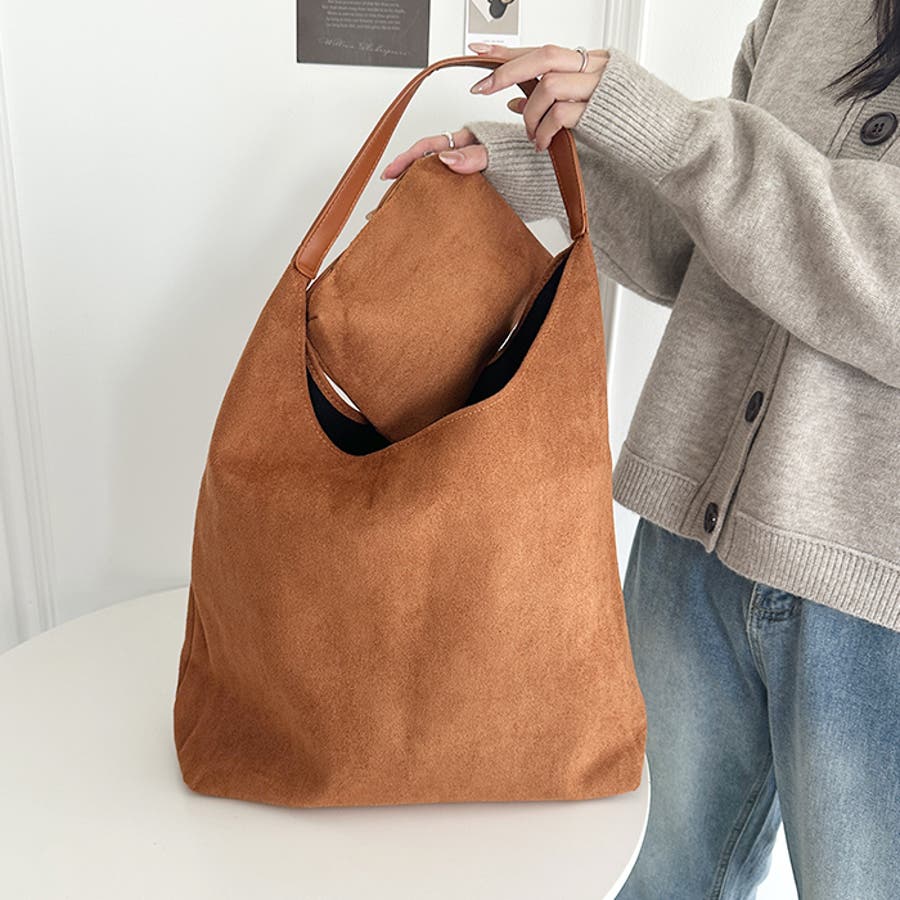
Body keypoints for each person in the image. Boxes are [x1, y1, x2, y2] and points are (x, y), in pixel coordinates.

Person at [381, 0, 900, 896]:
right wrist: (538, 167)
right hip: (689, 553)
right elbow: (707, 247)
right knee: (647, 878)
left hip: (874, 602)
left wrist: (675, 133)